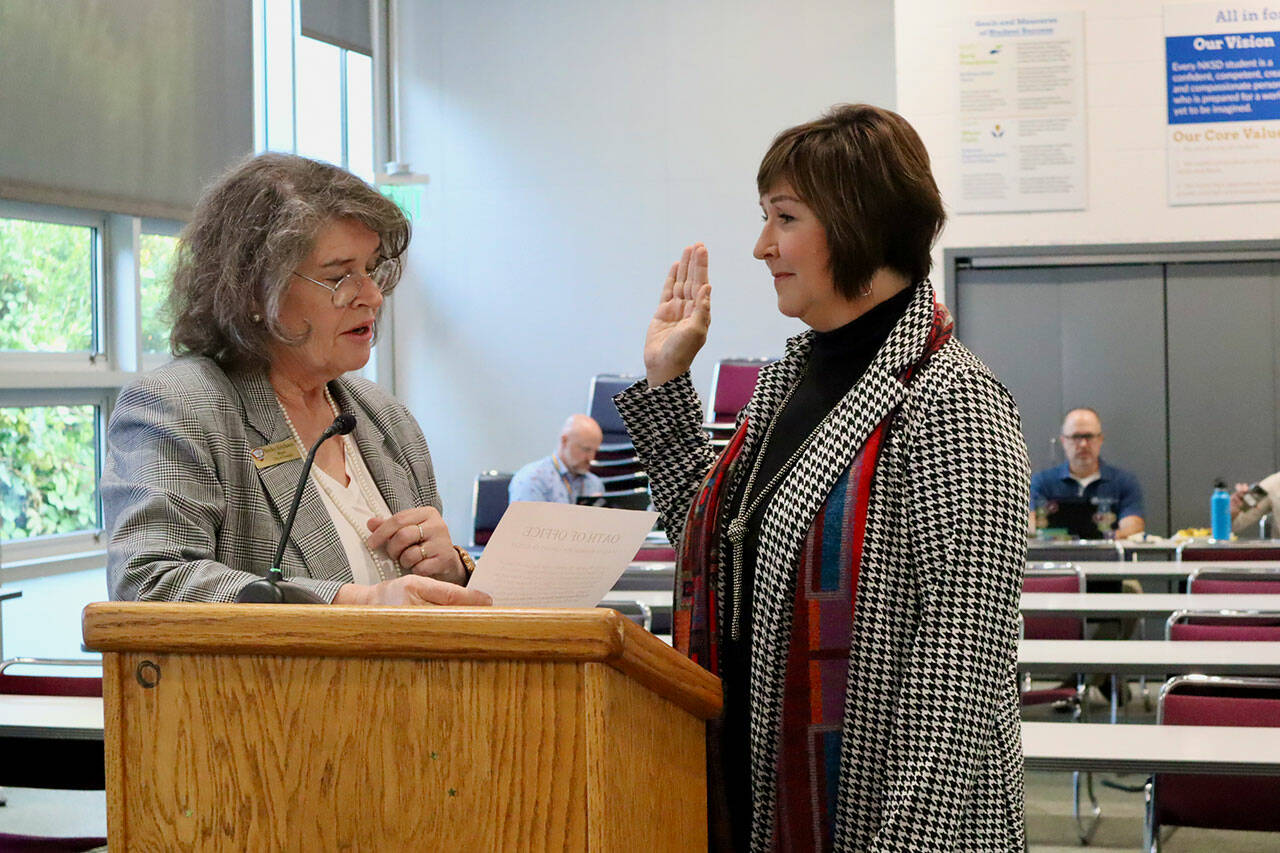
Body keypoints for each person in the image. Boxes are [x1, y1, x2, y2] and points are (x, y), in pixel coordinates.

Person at [613, 105, 1028, 850]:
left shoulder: (952, 398)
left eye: (785, 217)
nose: (761, 245)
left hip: (891, 824)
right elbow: (713, 551)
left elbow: (958, 677)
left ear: (857, 219)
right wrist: (666, 378)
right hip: (764, 796)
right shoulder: (787, 380)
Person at [103, 153, 490, 607]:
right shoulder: (180, 405)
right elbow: (149, 582)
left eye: (371, 269)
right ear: (255, 289)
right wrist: (353, 604)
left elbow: (423, 603)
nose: (371, 296)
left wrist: (452, 570)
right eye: (340, 276)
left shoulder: (386, 418)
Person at [1029, 407, 1145, 539]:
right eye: (1076, 437)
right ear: (1063, 441)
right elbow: (1030, 524)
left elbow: (1133, 527)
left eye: (1089, 436)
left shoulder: (1123, 481)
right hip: (1057, 557)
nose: (1083, 444)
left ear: (1100, 439)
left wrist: (1097, 540)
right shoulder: (1042, 482)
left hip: (1109, 558)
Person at [507, 414, 605, 504]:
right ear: (564, 441)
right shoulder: (532, 479)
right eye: (586, 449)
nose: (591, 458)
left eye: (595, 451)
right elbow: (527, 523)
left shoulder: (594, 484)